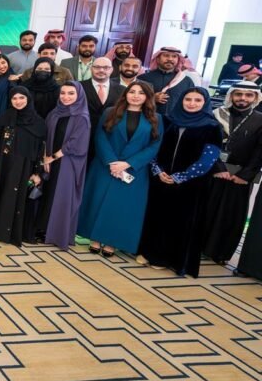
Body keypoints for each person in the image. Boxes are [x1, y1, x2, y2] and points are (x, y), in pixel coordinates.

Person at [139, 88, 222, 277]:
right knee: (156, 217)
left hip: (190, 185)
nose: (192, 103)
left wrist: (180, 177)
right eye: (188, 99)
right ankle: (149, 253)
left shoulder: (212, 127)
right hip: (161, 180)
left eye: (197, 100)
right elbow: (154, 147)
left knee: (180, 222)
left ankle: (169, 259)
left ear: (205, 103)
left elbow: (207, 160)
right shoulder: (168, 120)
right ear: (181, 101)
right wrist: (158, 171)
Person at [77, 81, 163, 258]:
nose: (136, 96)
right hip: (105, 166)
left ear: (148, 97)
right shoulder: (110, 112)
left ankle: (112, 241)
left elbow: (154, 146)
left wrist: (128, 163)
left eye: (141, 93)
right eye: (132, 92)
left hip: (134, 170)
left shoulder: (156, 118)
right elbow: (100, 137)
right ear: (126, 94)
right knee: (98, 202)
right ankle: (95, 238)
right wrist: (112, 162)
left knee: (122, 208)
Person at [202, 82, 262, 265]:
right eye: (238, 94)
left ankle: (221, 252)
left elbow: (260, 152)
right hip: (214, 172)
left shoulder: (260, 120)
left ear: (256, 98)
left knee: (231, 215)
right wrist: (218, 168)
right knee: (207, 209)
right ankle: (200, 245)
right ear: (231, 95)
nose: (243, 98)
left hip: (240, 177)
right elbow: (207, 143)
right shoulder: (216, 114)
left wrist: (245, 175)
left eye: (248, 95)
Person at [0, 86, 46, 245]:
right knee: (5, 196)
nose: (18, 101)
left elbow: (41, 149)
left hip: (26, 168)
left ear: (28, 99)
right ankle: (0, 231)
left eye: (21, 98)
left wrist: (37, 172)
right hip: (5, 165)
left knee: (21, 199)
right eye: (14, 98)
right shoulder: (5, 118)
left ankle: (17, 232)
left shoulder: (38, 123)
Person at [36, 83, 91, 250]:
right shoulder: (54, 113)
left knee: (62, 196)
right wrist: (45, 157)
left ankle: (57, 233)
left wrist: (52, 158)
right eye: (63, 93)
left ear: (79, 95)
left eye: (71, 93)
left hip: (68, 162)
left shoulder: (82, 117)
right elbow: (45, 135)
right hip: (50, 160)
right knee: (48, 193)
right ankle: (44, 229)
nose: (66, 97)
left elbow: (75, 144)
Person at [140, 46, 195, 119]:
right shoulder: (143, 78)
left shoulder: (186, 81)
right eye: (166, 55)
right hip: (148, 119)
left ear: (178, 60)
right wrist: (151, 99)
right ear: (158, 59)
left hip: (175, 121)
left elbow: (192, 101)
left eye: (174, 56)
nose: (170, 59)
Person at [81, 57, 123, 132]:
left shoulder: (122, 90)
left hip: (110, 132)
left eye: (106, 67)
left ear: (111, 70)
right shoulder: (79, 87)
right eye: (97, 67)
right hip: (84, 131)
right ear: (91, 68)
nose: (101, 70)